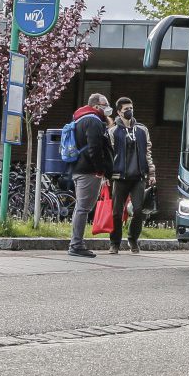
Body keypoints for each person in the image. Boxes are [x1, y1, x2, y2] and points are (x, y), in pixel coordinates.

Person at [107, 97, 157, 254]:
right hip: (119, 177)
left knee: (138, 210)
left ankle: (133, 239)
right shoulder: (113, 131)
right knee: (116, 212)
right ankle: (114, 243)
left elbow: (148, 152)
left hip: (138, 177)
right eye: (126, 109)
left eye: (131, 107)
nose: (130, 111)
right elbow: (109, 155)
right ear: (119, 112)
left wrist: (152, 172)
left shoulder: (142, 130)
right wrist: (106, 175)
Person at [67, 93, 113, 258]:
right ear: (96, 106)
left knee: (81, 207)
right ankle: (76, 244)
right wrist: (100, 169)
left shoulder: (80, 118)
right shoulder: (93, 121)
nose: (108, 108)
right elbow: (95, 148)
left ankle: (76, 242)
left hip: (79, 168)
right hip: (88, 171)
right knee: (83, 208)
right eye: (105, 104)